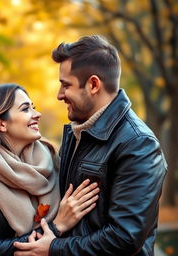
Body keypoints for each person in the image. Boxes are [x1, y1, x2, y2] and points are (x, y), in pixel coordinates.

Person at [13, 35, 167, 255]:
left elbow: (125, 237)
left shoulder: (138, 144)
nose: (59, 95)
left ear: (93, 84)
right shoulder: (77, 133)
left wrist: (55, 248)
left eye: (66, 85)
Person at [0, 83, 100, 256]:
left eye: (33, 107)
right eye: (26, 109)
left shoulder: (53, 160)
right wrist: (56, 227)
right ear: (0, 123)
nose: (38, 114)